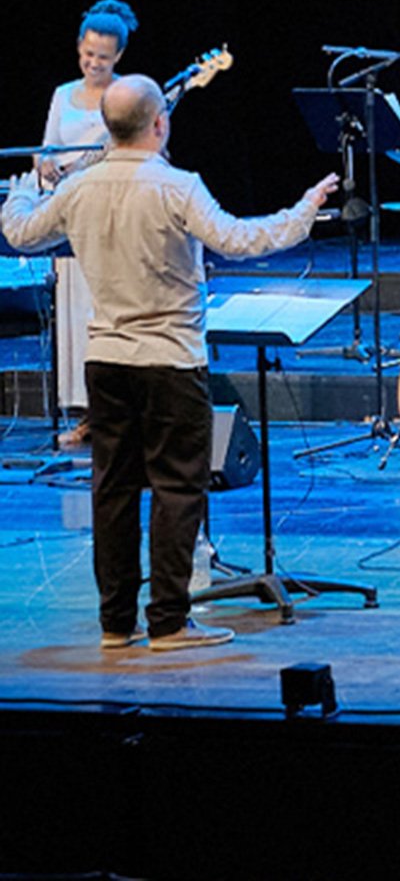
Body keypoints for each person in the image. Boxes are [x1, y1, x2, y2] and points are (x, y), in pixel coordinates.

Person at [3, 76, 339, 651]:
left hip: (106, 361)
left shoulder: (79, 188)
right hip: (169, 361)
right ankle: (168, 623)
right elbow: (240, 239)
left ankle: (116, 625)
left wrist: (21, 189)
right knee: (177, 490)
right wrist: (304, 209)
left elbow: (20, 232)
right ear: (159, 124)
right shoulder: (177, 186)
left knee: (112, 492)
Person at [38, 0, 138, 450]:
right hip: (69, 213)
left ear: (118, 57)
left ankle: (113, 414)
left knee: (106, 317)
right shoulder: (63, 95)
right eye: (87, 53)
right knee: (74, 318)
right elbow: (46, 150)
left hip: (111, 214)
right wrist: (46, 168)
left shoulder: (126, 96)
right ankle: (82, 414)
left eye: (103, 56)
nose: (93, 62)